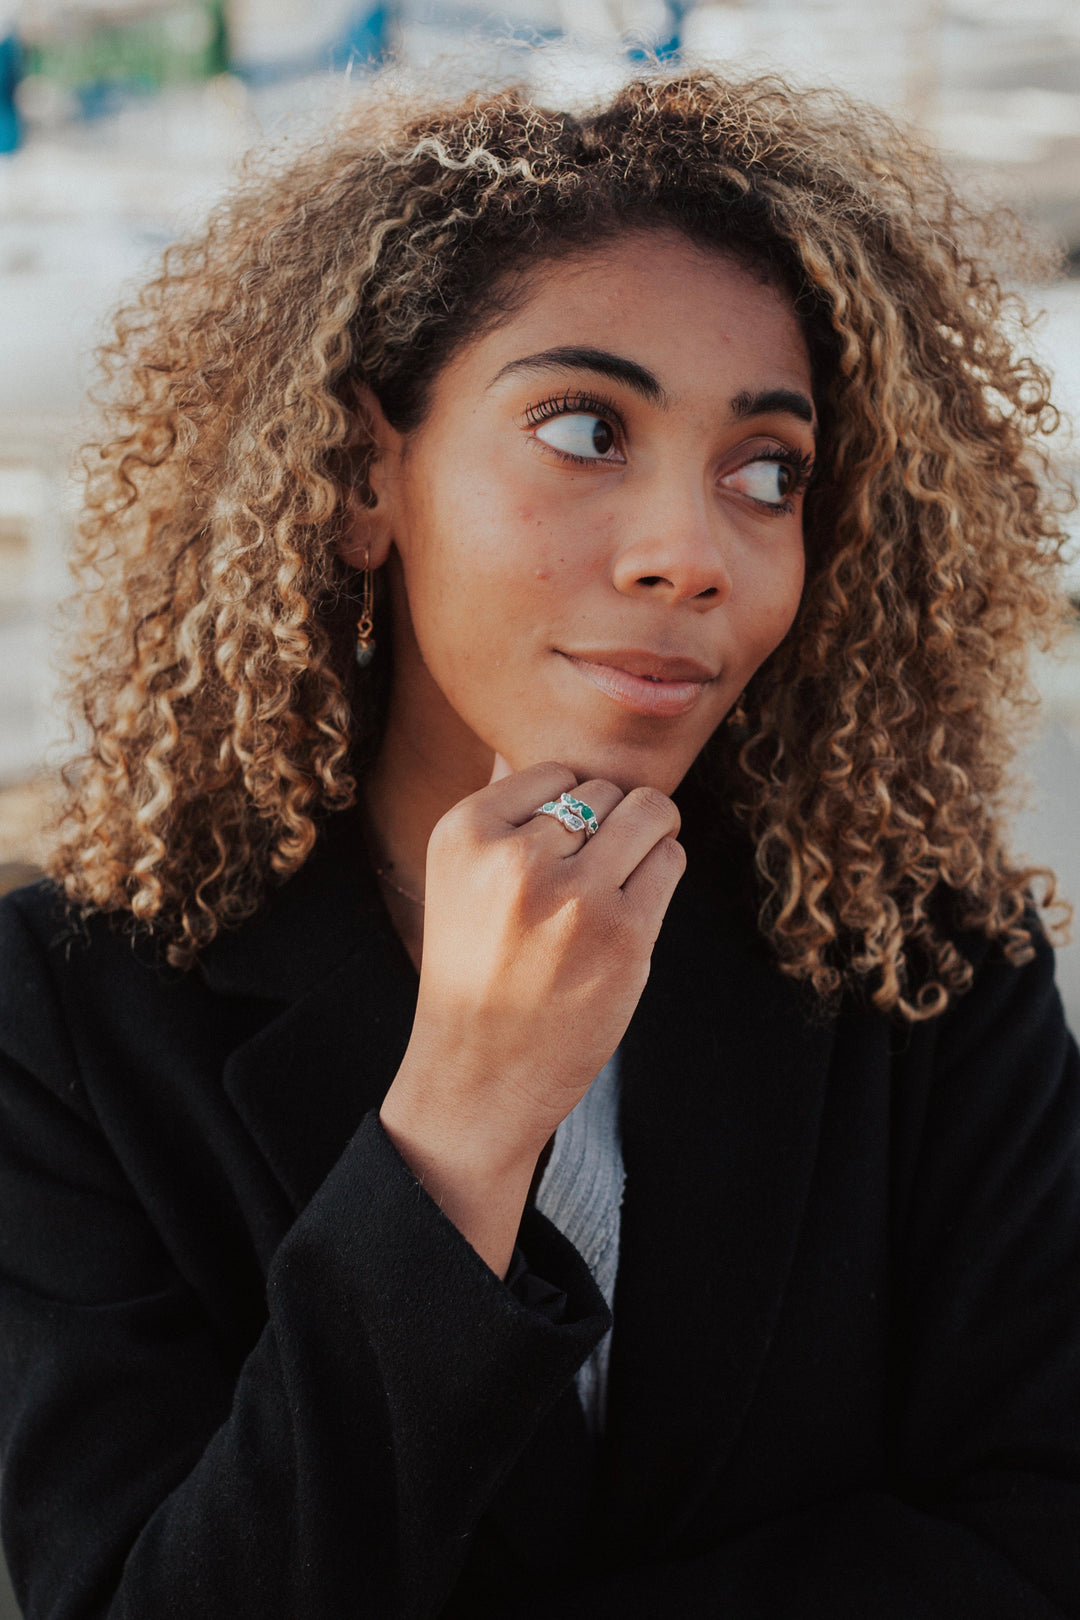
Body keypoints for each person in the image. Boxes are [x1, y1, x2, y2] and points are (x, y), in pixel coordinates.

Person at [1, 64, 1079, 1620]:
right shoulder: (72, 1013)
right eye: (583, 428)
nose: (685, 554)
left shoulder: (926, 959)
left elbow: (1046, 1536)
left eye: (765, 471)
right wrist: (461, 1123)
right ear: (367, 476)